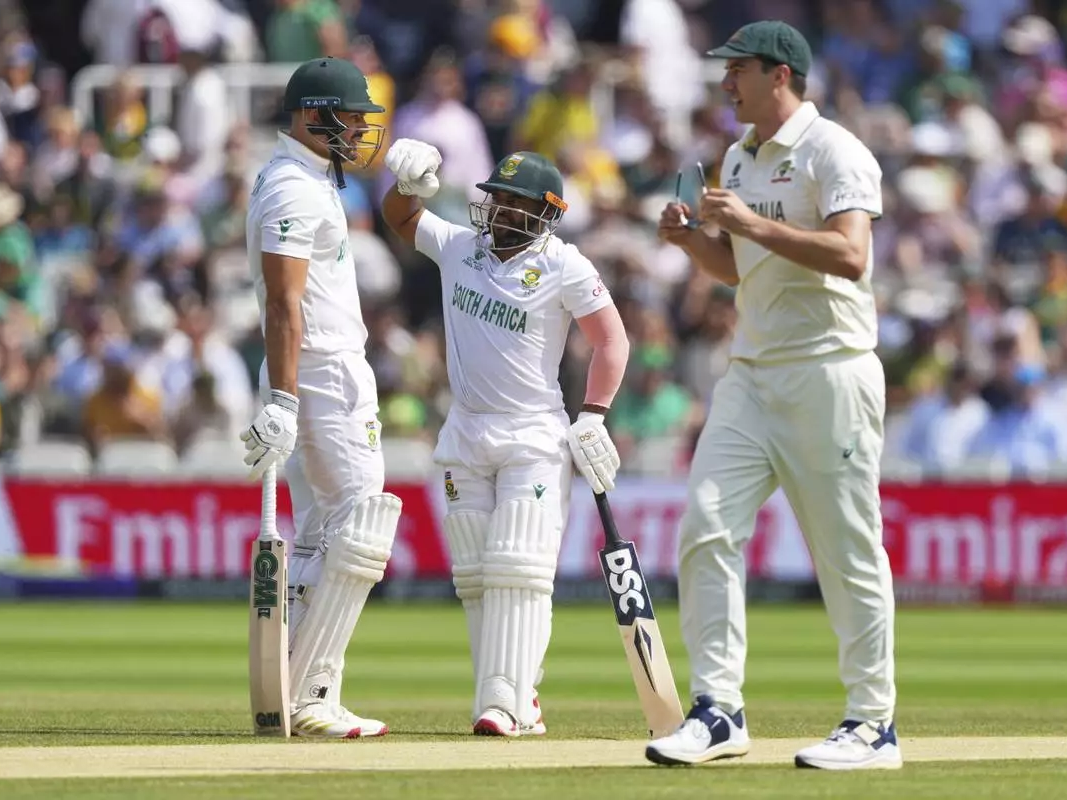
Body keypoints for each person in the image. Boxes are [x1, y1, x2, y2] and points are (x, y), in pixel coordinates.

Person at [645, 21, 901, 770]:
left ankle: (872, 724)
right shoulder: (737, 155)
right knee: (705, 526)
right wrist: (693, 241)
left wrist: (751, 221)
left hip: (831, 370)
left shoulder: (835, 151)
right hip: (752, 373)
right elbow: (741, 267)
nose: (726, 83)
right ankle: (718, 711)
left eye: (738, 70)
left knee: (846, 550)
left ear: (779, 74)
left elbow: (851, 255)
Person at [379, 142, 630, 736]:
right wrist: (407, 185)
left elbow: (612, 340)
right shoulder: (460, 247)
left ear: (544, 211)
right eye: (495, 198)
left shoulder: (566, 265)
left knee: (519, 569)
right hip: (464, 431)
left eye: (515, 202)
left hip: (533, 435)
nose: (499, 210)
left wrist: (593, 413)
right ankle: (519, 698)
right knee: (475, 576)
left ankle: (504, 702)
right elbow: (399, 217)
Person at [241, 56, 403, 739]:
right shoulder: (292, 189)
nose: (362, 131)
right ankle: (310, 694)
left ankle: (294, 688)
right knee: (362, 523)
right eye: (353, 118)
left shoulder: (306, 177)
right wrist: (283, 397)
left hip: (321, 372)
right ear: (313, 114)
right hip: (319, 374)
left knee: (319, 536)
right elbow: (283, 305)